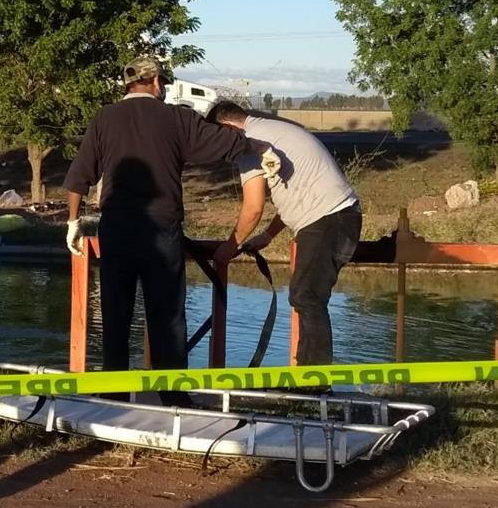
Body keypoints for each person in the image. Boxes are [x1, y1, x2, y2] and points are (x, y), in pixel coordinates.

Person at [63, 57, 271, 404]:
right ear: (156, 82)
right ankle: (173, 396)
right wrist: (260, 146)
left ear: (128, 85)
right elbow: (226, 143)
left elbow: (79, 176)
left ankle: (113, 393)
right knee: (168, 315)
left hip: (117, 228)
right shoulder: (176, 117)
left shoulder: (104, 118)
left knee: (116, 311)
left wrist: (72, 223)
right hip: (162, 230)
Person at [207, 101, 361, 366]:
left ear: (227, 127)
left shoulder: (248, 143)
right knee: (307, 296)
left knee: (306, 296)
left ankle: (314, 382)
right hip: (338, 216)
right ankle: (307, 379)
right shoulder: (273, 130)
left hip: (326, 219)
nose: (222, 146)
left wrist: (229, 247)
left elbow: (253, 208)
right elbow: (295, 193)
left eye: (219, 137)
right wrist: (268, 235)